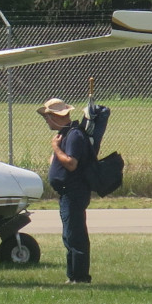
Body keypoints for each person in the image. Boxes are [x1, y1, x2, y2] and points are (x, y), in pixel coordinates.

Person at [39, 97, 91, 283]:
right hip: (66, 193)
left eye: (47, 117)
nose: (46, 120)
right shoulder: (65, 135)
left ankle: (79, 276)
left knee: (75, 235)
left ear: (56, 116)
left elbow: (71, 163)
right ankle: (73, 275)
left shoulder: (74, 135)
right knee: (69, 234)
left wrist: (56, 148)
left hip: (74, 192)